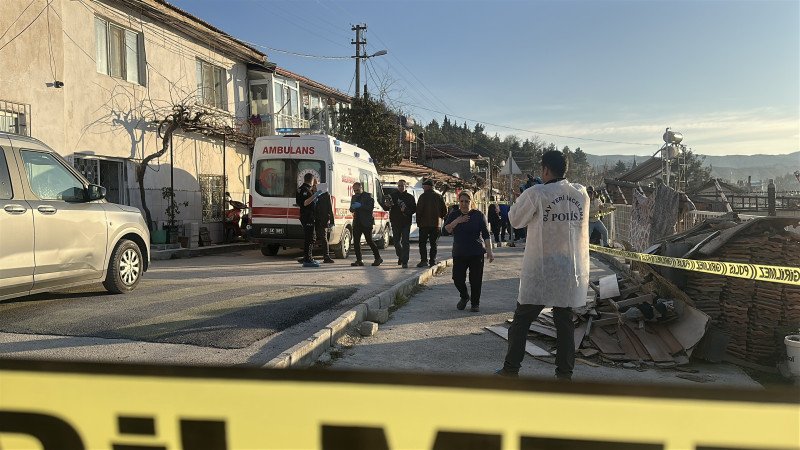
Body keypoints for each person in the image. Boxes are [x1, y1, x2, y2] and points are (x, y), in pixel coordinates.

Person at [496, 150, 590, 381]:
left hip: (541, 268)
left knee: (522, 321)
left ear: (545, 169)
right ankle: (564, 376)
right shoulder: (580, 194)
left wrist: (521, 198)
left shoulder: (537, 193)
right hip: (568, 268)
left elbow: (515, 220)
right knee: (564, 323)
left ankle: (510, 370)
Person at [442, 191, 494, 312]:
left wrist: (489, 251)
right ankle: (465, 296)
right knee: (457, 278)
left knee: (475, 280)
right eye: (462, 201)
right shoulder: (454, 214)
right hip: (459, 252)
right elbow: (445, 231)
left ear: (472, 202)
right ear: (459, 202)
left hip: (476, 252)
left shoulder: (479, 215)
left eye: (467, 201)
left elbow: (486, 234)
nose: (464, 204)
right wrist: (457, 221)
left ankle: (475, 304)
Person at [415, 179, 447, 267]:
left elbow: (419, 210)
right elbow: (445, 211)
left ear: (428, 186)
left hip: (424, 224)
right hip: (436, 224)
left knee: (422, 243)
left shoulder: (422, 197)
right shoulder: (439, 196)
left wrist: (418, 222)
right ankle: (432, 261)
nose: (423, 188)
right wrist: (439, 218)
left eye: (424, 186)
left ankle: (424, 260)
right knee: (434, 244)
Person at [349, 181, 383, 267]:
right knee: (356, 241)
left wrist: (360, 205)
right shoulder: (354, 197)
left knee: (369, 240)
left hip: (366, 222)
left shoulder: (368, 196)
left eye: (357, 190)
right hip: (357, 222)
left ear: (361, 188)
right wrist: (352, 208)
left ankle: (378, 258)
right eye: (354, 190)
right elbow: (351, 209)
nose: (356, 192)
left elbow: (370, 207)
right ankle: (359, 260)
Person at [384, 179, 416, 268]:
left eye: (402, 186)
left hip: (406, 222)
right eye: (399, 186)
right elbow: (386, 207)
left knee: (405, 242)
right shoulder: (393, 195)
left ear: (406, 186)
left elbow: (414, 209)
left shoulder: (410, 197)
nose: (401, 187)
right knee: (396, 242)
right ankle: (401, 256)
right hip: (395, 221)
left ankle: (405, 261)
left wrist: (405, 210)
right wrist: (387, 205)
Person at [296, 173, 320, 268]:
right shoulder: (305, 189)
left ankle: (306, 257)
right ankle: (308, 259)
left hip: (305, 216)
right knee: (311, 238)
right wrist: (315, 195)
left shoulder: (301, 189)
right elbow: (305, 203)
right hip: (308, 216)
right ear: (312, 180)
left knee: (308, 238)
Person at [314, 184, 335, 263]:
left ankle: (326, 256)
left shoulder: (326, 195)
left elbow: (330, 208)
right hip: (316, 219)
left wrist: (332, 221)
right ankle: (308, 256)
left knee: (323, 238)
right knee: (313, 237)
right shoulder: (315, 195)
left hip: (322, 220)